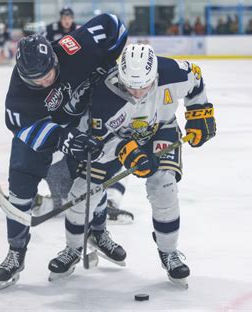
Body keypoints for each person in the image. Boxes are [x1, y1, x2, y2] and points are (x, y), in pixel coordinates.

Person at [49, 43, 216, 287]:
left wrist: (200, 113)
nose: (137, 93)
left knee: (164, 186)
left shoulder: (173, 73)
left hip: (161, 131)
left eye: (144, 86)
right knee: (82, 194)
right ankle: (73, 249)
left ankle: (169, 252)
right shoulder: (103, 94)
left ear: (155, 74)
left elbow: (196, 78)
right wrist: (127, 152)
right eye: (130, 87)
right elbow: (98, 140)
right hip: (111, 140)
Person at [0, 13, 128, 290]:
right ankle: (15, 254)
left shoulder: (72, 48)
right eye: (36, 81)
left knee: (91, 183)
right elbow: (24, 129)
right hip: (35, 142)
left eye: (47, 76)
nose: (43, 83)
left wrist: (107, 62)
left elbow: (113, 23)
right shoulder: (18, 95)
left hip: (76, 127)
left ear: (54, 59)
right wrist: (66, 139)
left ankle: (98, 232)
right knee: (19, 197)